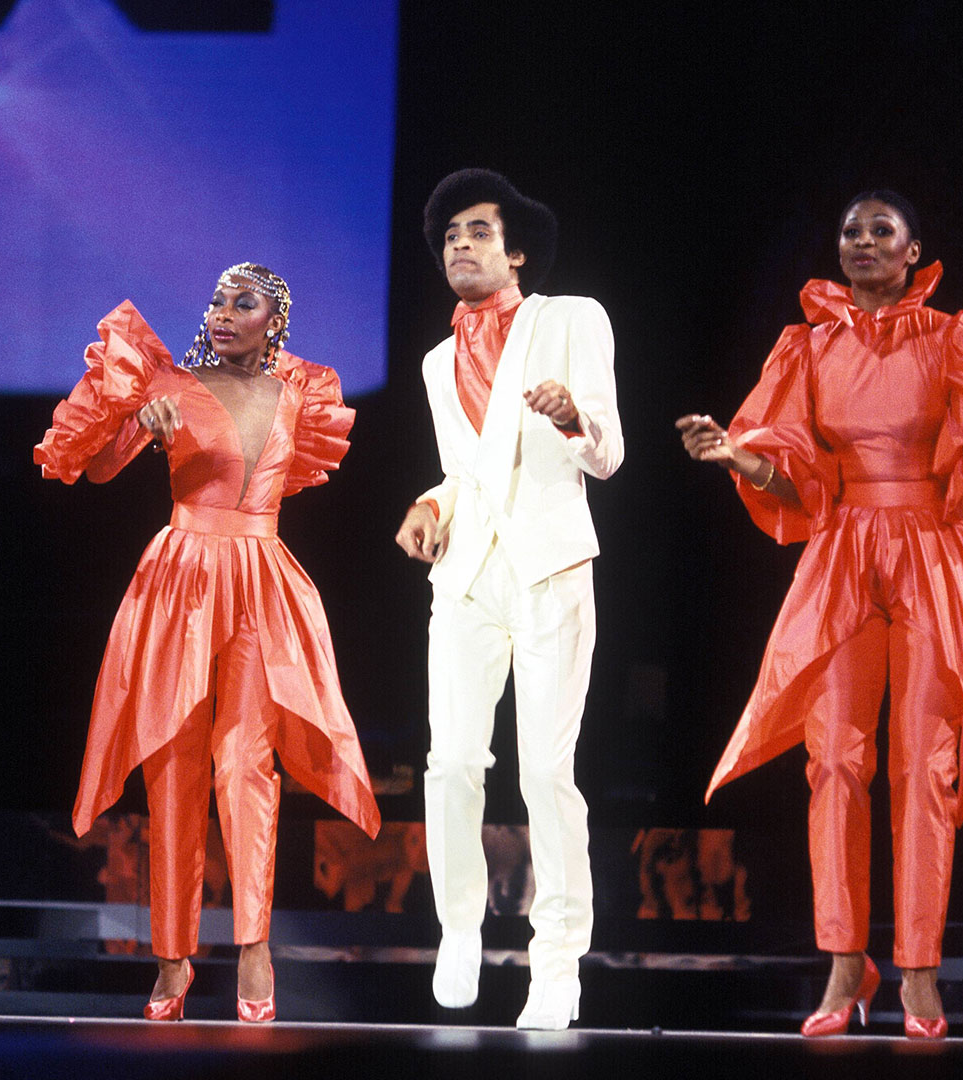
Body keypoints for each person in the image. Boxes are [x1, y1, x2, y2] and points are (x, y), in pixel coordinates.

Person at [678, 191, 963, 1039]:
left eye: (881, 230)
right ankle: (843, 963)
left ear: (913, 251)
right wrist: (741, 458)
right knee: (833, 758)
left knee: (923, 767)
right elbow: (795, 480)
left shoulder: (954, 336)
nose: (862, 241)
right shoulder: (807, 346)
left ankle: (920, 972)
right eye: (850, 232)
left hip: (934, 549)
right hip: (843, 553)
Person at [35, 263, 380, 1023]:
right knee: (174, 764)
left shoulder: (301, 395)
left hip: (261, 580)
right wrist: (137, 426)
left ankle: (254, 947)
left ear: (273, 322)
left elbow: (292, 479)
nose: (222, 313)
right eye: (218, 301)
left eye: (241, 303)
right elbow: (95, 469)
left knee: (248, 764)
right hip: (182, 579)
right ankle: (172, 958)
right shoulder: (171, 384)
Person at [394, 169, 623, 1030]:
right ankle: (460, 928)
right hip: (467, 574)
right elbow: (466, 472)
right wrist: (431, 505)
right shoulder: (436, 361)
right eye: (450, 236)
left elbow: (608, 454)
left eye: (479, 232)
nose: (461, 245)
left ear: (517, 250)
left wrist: (569, 417)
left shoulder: (572, 319)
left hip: (549, 564)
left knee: (545, 772)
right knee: (451, 762)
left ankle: (556, 962)